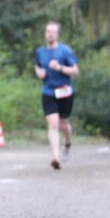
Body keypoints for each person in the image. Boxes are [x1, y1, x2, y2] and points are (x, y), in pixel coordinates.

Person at [34, 21, 79, 170]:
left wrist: (59, 67)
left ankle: (67, 144)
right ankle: (55, 157)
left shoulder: (65, 51)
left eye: (53, 32)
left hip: (65, 91)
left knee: (63, 123)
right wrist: (40, 73)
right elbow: (37, 66)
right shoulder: (40, 51)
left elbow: (75, 71)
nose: (50, 34)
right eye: (48, 31)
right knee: (53, 124)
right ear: (45, 33)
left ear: (58, 34)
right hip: (48, 92)